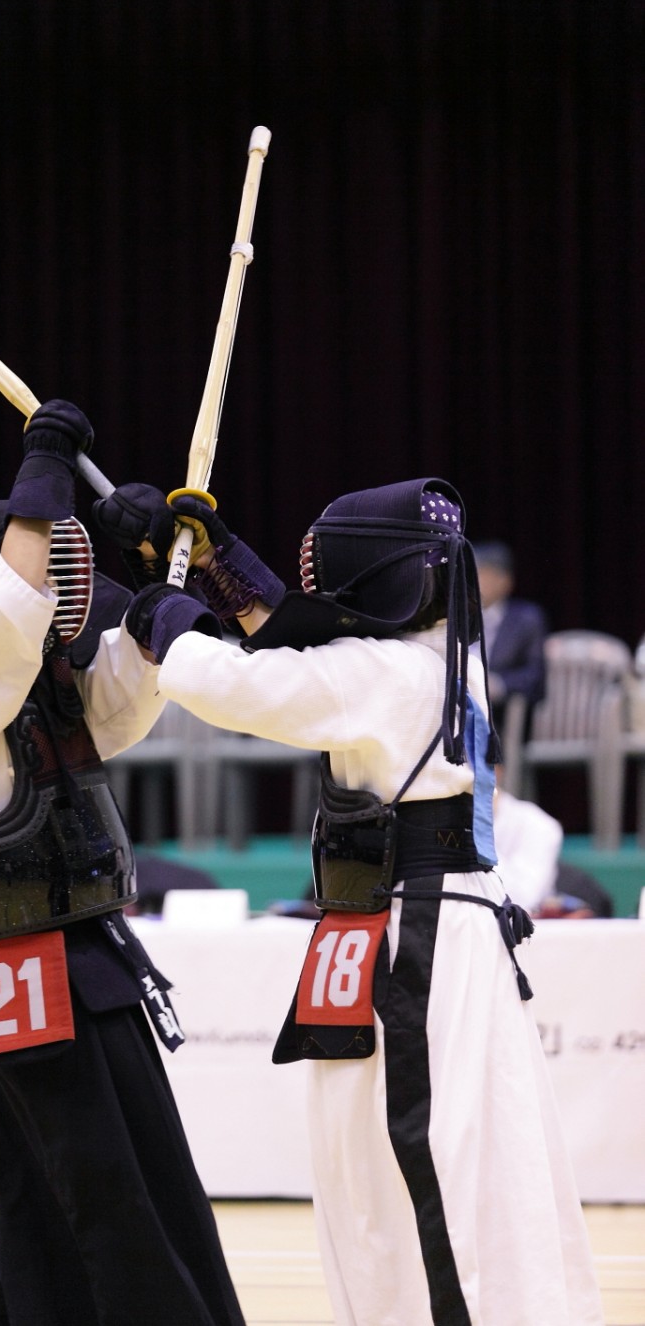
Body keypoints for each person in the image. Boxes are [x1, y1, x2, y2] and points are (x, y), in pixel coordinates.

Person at [119, 479, 604, 1325]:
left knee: (411, 1158)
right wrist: (217, 556)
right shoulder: (438, 652)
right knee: (440, 1155)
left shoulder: (382, 673)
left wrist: (161, 609)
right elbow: (302, 629)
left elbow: (240, 682)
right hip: (426, 926)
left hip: (415, 935)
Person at [0, 403, 244, 1326]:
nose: (63, 583)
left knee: (140, 1168)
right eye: (51, 558)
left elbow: (134, 685)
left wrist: (157, 569)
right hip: (15, 965)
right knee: (94, 1185)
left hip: (92, 952)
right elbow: (9, 620)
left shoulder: (56, 686)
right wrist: (44, 466)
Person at [493, 766, 614, 918]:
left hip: (527, 929)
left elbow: (522, 901)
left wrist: (473, 835)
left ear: (495, 770)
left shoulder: (538, 824)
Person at [473, 539, 548, 733]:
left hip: (501, 714)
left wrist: (498, 685)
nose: (473, 581)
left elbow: (535, 675)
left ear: (504, 581)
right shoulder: (455, 617)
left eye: (482, 574)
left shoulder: (526, 618)